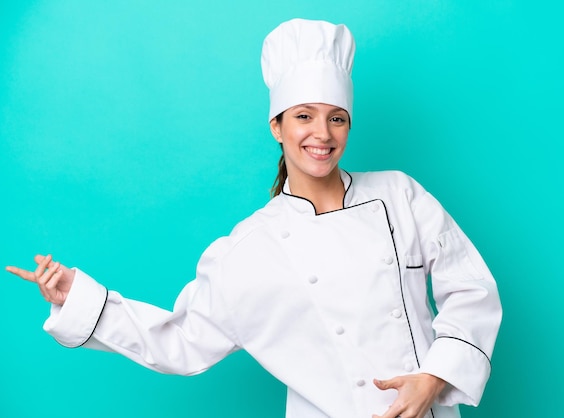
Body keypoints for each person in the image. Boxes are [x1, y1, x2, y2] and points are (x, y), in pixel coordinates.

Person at [6, 18, 502, 418]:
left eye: (337, 117)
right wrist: (79, 296)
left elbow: (472, 290)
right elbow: (180, 340)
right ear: (277, 126)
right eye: (304, 116)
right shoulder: (253, 246)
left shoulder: (399, 195)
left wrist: (434, 378)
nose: (322, 134)